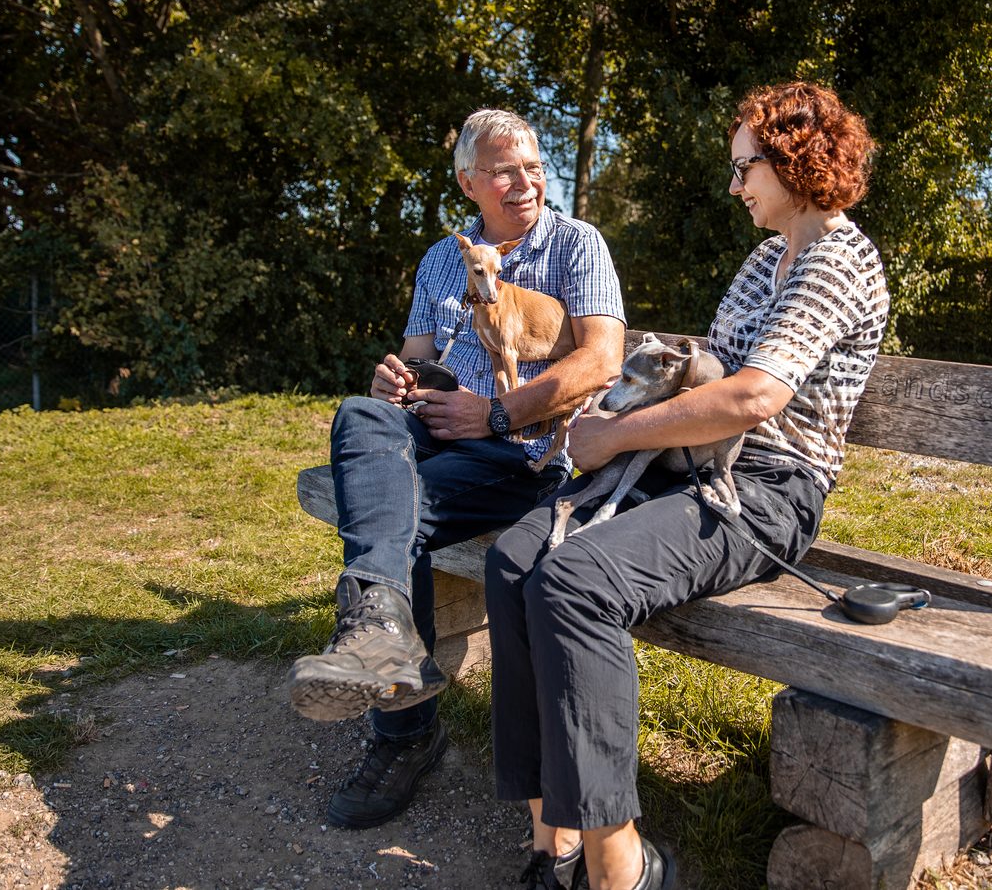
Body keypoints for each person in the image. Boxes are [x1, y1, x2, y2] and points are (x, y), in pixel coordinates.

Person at [483, 82, 890, 890]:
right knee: (514, 558)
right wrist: (621, 399)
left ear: (794, 162)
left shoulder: (843, 258)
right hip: (694, 466)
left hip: (770, 491)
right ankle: (552, 841)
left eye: (746, 169)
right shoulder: (764, 259)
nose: (736, 186)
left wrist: (612, 434)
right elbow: (711, 368)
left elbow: (753, 396)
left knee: (575, 581)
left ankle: (620, 867)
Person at [287, 109, 626, 834]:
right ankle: (382, 629)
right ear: (469, 181)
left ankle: (403, 733)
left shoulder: (575, 245)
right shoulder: (443, 259)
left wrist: (495, 415)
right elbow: (416, 358)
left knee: (389, 510)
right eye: (505, 169)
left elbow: (601, 360)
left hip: (520, 450)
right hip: (432, 433)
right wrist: (397, 380)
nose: (525, 180)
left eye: (534, 165)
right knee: (359, 413)